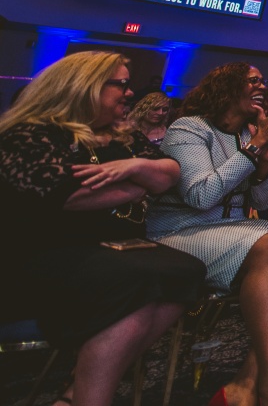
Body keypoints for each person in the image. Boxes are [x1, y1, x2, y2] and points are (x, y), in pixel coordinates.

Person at [0, 52, 204, 406]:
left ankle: (76, 391)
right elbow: (65, 196)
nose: (129, 93)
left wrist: (135, 165)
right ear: (83, 86)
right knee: (136, 283)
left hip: (115, 251)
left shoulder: (122, 137)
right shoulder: (32, 132)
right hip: (44, 255)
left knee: (187, 270)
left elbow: (170, 173)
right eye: (121, 84)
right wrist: (138, 183)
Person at [149, 64, 268, 406]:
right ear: (225, 87)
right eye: (251, 80)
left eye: (262, 80)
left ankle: (248, 378)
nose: (260, 85)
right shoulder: (189, 129)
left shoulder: (245, 135)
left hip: (231, 231)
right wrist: (254, 147)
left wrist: (266, 162)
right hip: (182, 231)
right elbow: (200, 196)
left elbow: (264, 201)